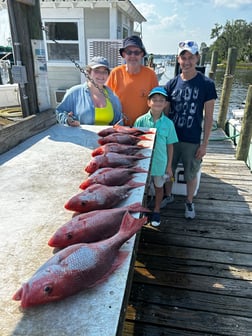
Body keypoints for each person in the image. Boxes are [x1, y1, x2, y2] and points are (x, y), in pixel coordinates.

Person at [163, 40, 217, 219]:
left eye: (191, 57)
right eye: (183, 57)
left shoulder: (207, 84)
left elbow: (209, 117)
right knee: (168, 170)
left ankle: (189, 202)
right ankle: (168, 195)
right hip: (172, 139)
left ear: (197, 58)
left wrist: (205, 144)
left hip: (192, 139)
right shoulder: (171, 84)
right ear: (178, 59)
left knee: (190, 173)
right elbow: (165, 112)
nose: (187, 62)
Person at [134, 86, 178, 227]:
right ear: (149, 102)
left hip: (160, 162)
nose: (158, 103)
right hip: (143, 162)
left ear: (165, 104)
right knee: (143, 188)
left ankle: (157, 210)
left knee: (159, 187)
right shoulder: (140, 121)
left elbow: (170, 145)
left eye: (161, 100)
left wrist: (169, 166)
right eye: (154, 100)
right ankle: (143, 210)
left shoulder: (169, 123)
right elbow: (135, 141)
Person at [106, 35, 158, 126]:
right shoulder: (115, 73)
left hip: (144, 126)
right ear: (123, 54)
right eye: (129, 52)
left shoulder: (151, 74)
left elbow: (157, 100)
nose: (133, 56)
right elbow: (105, 98)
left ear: (142, 54)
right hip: (120, 126)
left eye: (137, 52)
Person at [56, 56, 123, 127]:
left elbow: (119, 123)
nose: (101, 75)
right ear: (88, 72)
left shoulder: (113, 97)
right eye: (97, 71)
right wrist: (67, 120)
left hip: (106, 137)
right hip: (79, 137)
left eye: (104, 72)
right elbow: (59, 112)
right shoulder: (74, 92)